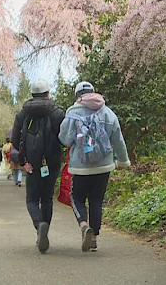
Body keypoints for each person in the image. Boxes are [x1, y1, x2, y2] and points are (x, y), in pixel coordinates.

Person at [59, 81, 131, 253]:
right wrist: (123, 160)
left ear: (77, 95)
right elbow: (118, 139)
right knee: (96, 200)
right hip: (104, 166)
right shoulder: (107, 112)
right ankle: (94, 239)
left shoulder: (72, 113)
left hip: (80, 166)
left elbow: (65, 139)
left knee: (76, 198)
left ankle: (84, 225)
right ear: (93, 92)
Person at [11, 80, 65, 253]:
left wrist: (23, 156)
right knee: (47, 198)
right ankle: (45, 229)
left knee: (32, 199)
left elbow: (14, 139)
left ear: (32, 94)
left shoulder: (22, 114)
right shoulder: (56, 113)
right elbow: (63, 137)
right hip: (52, 161)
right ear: (48, 93)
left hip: (31, 162)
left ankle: (39, 225)